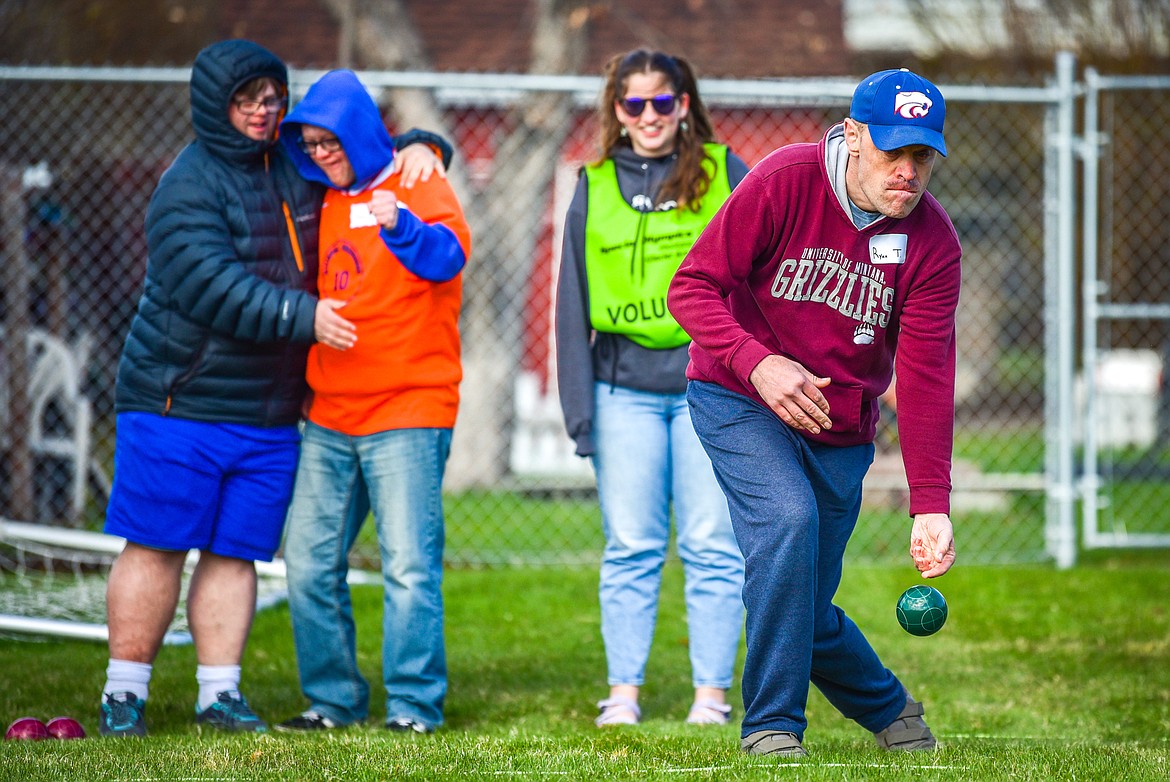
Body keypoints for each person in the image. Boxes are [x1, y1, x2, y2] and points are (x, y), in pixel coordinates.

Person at [98, 39, 449, 738]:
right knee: (156, 542)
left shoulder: (293, 168)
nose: (263, 111)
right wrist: (303, 316)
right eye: (245, 100)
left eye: (271, 98)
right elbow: (208, 284)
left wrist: (419, 143)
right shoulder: (188, 184)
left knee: (235, 552)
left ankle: (218, 695)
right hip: (180, 399)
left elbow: (352, 158)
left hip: (269, 411)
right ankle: (124, 693)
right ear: (213, 105)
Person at [667, 68, 961, 756]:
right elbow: (692, 287)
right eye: (894, 151)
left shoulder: (933, 242)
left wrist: (931, 503)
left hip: (841, 429)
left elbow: (924, 375)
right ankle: (772, 726)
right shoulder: (784, 180)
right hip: (739, 397)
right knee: (787, 523)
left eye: (923, 156)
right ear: (854, 137)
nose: (909, 172)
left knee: (796, 595)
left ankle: (890, 709)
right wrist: (757, 361)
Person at [272, 69, 471, 735]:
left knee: (409, 568)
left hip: (408, 409)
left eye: (333, 140)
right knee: (307, 561)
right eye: (312, 144)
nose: (324, 154)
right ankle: (332, 698)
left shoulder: (417, 179)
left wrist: (403, 225)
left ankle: (414, 705)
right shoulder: (322, 195)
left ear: (358, 132)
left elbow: (449, 258)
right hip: (329, 413)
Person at [554, 48, 748, 728]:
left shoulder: (726, 173)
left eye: (661, 103)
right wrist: (579, 413)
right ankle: (625, 694)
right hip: (621, 394)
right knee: (631, 546)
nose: (648, 116)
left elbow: (762, 280)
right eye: (633, 104)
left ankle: (711, 698)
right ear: (617, 111)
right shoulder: (594, 182)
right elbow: (570, 304)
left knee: (711, 546)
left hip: (712, 392)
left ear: (683, 105)